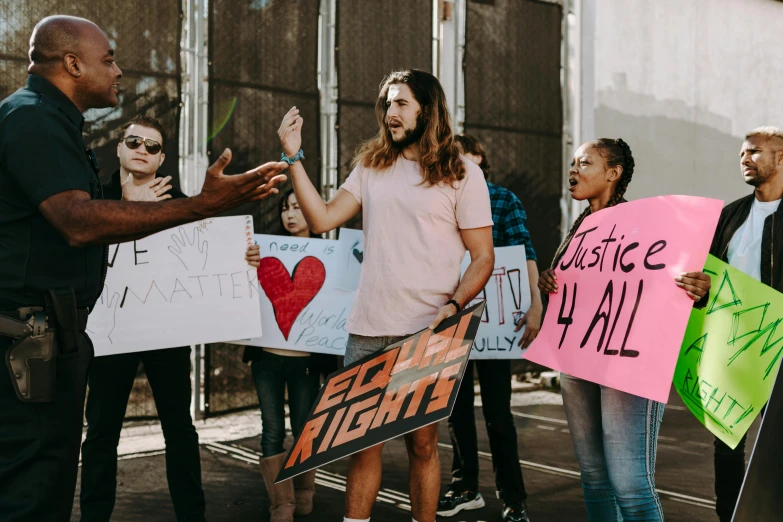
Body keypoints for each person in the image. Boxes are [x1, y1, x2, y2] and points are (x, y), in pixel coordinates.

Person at [0, 16, 286, 522]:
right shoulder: (32, 119)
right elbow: (76, 221)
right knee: (35, 481)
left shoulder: (51, 122)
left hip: (51, 335)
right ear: (72, 63)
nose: (118, 70)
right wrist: (200, 206)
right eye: (108, 58)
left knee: (46, 474)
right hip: (31, 336)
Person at [277, 69, 495, 522]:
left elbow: (482, 258)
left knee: (422, 444)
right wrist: (293, 157)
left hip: (428, 333)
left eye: (400, 104)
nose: (390, 112)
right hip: (366, 328)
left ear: (426, 109)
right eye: (387, 103)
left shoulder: (463, 173)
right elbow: (322, 219)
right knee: (362, 446)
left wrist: (452, 308)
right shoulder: (372, 166)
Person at [79, 115, 262, 522]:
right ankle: (94, 517)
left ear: (162, 159)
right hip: (111, 334)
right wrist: (126, 208)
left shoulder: (183, 202)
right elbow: (80, 243)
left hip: (166, 333)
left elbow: (210, 255)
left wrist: (243, 257)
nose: (142, 150)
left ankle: (191, 516)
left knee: (179, 428)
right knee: (102, 432)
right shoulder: (94, 196)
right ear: (120, 148)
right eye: (134, 142)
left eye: (153, 146)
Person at [539, 138, 711, 522]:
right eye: (572, 163)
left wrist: (698, 288)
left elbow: (674, 282)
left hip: (626, 367)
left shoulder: (643, 224)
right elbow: (574, 291)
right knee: (594, 478)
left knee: (631, 486)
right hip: (577, 363)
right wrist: (549, 281)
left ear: (613, 174)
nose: (573, 170)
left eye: (584, 163)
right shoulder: (581, 226)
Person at [437, 134, 541, 522]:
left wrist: (535, 304)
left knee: (499, 413)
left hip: (499, 321)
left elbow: (524, 251)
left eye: (467, 154)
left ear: (480, 158)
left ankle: (513, 500)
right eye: (454, 157)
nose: (460, 162)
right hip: (453, 317)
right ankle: (464, 488)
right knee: (456, 410)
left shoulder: (503, 199)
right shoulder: (440, 198)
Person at [708, 126, 783, 522]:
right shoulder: (729, 215)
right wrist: (700, 286)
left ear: (781, 158)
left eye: (754, 151)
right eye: (742, 153)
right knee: (726, 446)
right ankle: (729, 517)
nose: (744, 159)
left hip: (778, 348)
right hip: (731, 346)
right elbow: (711, 277)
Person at [242, 189, 326, 522]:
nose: (290, 214)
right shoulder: (264, 251)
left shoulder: (329, 255)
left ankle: (304, 493)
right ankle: (282, 504)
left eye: (298, 207)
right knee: (271, 429)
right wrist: (248, 262)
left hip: (306, 362)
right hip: (266, 359)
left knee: (304, 427)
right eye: (284, 208)